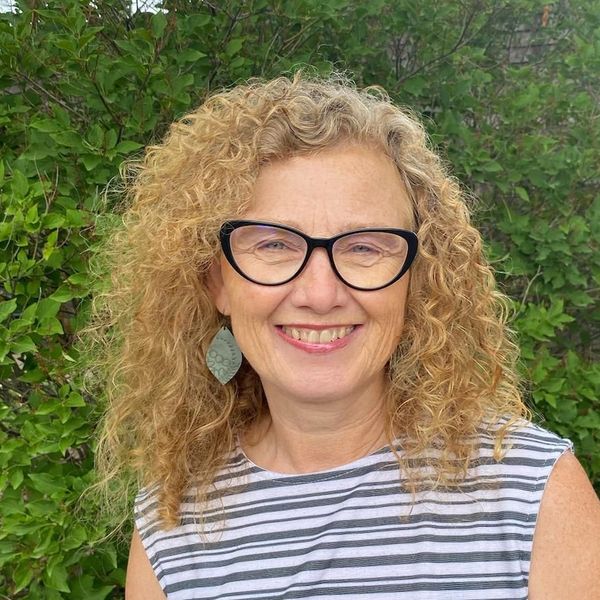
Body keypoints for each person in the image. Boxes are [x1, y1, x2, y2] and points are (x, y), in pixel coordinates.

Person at [89, 73, 600, 599]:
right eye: (273, 244)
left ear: (416, 279)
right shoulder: (170, 524)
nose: (320, 294)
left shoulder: (532, 494)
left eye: (364, 247)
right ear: (217, 282)